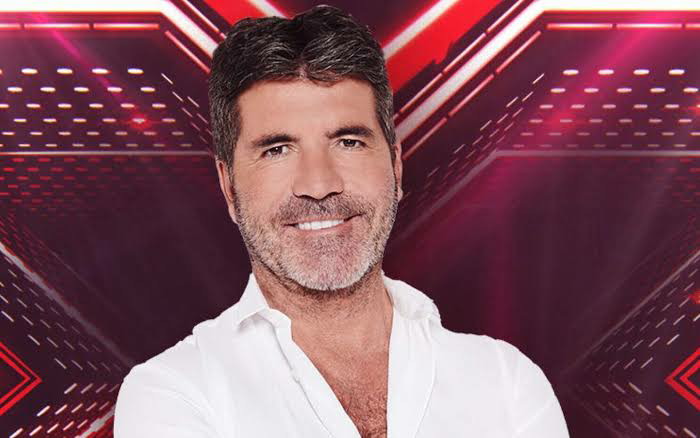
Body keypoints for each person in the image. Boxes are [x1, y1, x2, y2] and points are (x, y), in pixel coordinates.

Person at [114, 5, 569, 437]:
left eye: (348, 142)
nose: (319, 184)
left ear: (395, 166)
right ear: (228, 186)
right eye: (277, 149)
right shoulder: (176, 393)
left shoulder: (506, 384)